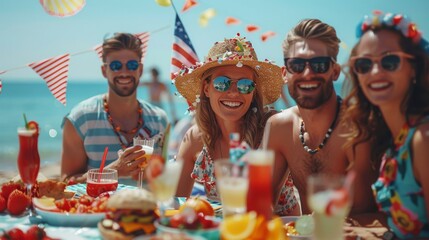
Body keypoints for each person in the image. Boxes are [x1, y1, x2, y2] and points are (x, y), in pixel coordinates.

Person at [174, 34, 300, 215]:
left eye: (245, 85)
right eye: (222, 83)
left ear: (253, 91)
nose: (233, 93)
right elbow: (176, 207)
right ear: (206, 88)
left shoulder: (273, 130)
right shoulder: (195, 139)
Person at [265, 19, 378, 217]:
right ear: (285, 73)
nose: (308, 73)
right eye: (297, 65)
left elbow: (366, 215)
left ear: (335, 71)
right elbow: (262, 203)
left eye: (319, 64)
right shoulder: (278, 127)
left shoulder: (356, 126)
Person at [342, 11, 429, 238]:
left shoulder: (423, 138)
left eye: (390, 61)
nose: (376, 72)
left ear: (414, 69)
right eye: (364, 64)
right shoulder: (396, 140)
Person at [61, 33, 169, 185]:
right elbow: (66, 183)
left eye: (131, 65)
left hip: (146, 207)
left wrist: (153, 173)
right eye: (116, 66)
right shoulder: (80, 119)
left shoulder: (159, 119)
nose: (124, 72)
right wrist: (115, 170)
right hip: (98, 208)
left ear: (140, 69)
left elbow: (163, 179)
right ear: (104, 71)